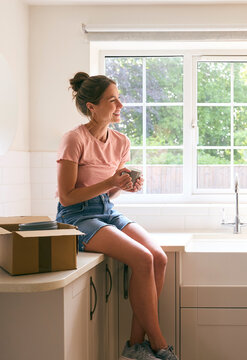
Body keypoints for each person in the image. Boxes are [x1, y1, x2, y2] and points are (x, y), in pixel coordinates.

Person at [56, 72, 178, 360]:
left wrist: (124, 186)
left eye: (119, 97)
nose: (120, 104)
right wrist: (111, 182)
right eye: (113, 100)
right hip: (76, 217)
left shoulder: (121, 142)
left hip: (106, 210)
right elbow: (67, 197)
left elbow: (108, 195)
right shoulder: (74, 139)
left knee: (158, 258)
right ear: (92, 107)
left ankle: (135, 345)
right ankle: (159, 344)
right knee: (142, 258)